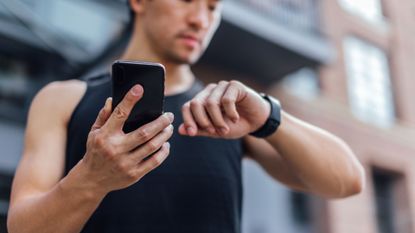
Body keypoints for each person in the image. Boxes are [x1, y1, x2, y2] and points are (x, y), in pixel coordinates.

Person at [7, 0, 365, 233]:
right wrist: (93, 178)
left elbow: (347, 181)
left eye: (212, 7)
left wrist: (269, 117)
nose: (200, 20)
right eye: (188, 1)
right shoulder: (62, 99)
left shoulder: (228, 113)